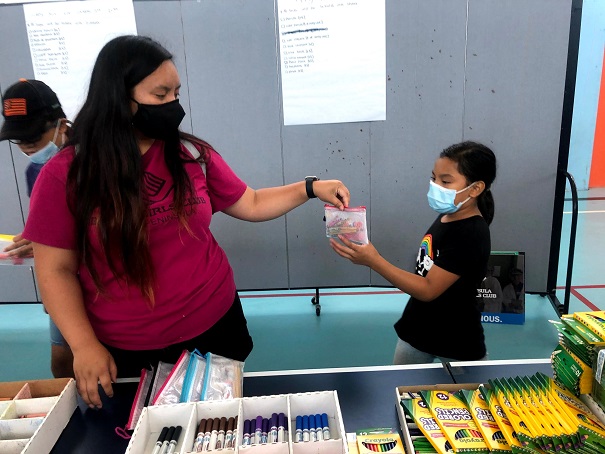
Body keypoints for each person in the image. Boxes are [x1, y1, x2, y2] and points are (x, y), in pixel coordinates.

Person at [22, 35, 350, 408]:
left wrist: (310, 188)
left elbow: (253, 202)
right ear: (118, 98)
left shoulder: (191, 153)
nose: (173, 106)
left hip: (216, 327)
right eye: (160, 96)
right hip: (128, 347)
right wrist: (83, 345)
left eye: (176, 94)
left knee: (219, 427)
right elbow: (55, 271)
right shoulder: (67, 174)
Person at [330, 141, 496, 364]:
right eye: (433, 178)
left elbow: (428, 289)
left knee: (466, 398)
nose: (435, 186)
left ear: (475, 188)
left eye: (445, 181)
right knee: (403, 392)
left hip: (457, 341)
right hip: (417, 331)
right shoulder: (449, 215)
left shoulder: (472, 233)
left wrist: (374, 260)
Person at [0, 79, 74, 378]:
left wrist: (53, 243)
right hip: (62, 275)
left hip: (98, 277)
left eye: (33, 135)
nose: (28, 145)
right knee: (61, 362)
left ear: (61, 123)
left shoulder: (95, 162)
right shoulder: (36, 171)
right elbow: (44, 226)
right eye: (18, 139)